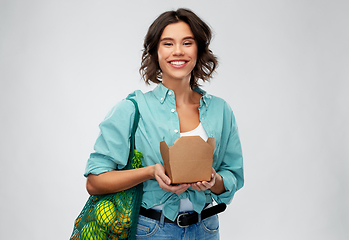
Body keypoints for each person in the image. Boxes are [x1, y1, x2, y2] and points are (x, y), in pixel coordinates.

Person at [84, 8, 244, 240]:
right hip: (152, 231)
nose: (178, 51)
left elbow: (233, 176)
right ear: (155, 52)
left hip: (206, 229)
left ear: (198, 49)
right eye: (168, 43)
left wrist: (214, 181)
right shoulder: (131, 109)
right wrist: (151, 172)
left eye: (187, 42)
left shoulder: (221, 110)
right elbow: (94, 181)